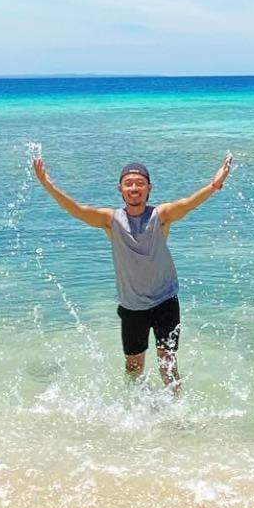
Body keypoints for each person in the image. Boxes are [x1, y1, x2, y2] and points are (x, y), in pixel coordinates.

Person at [32, 153, 234, 386]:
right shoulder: (111, 220)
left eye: (140, 183)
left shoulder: (161, 216)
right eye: (129, 184)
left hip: (165, 300)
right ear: (120, 189)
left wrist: (215, 184)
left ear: (149, 188)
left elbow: (188, 204)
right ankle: (137, 409)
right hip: (132, 307)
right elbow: (77, 210)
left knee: (167, 362)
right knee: (133, 366)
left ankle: (178, 414)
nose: (134, 187)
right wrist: (47, 184)